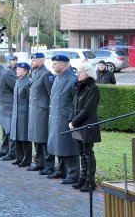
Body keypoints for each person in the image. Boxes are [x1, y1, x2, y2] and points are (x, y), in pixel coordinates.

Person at [47, 55, 80, 185]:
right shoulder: (57, 78)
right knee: (58, 143)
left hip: (65, 117)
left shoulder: (72, 79)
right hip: (55, 116)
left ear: (65, 64)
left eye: (55, 63)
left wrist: (71, 118)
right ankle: (61, 169)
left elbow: (74, 102)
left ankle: (73, 174)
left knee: (68, 145)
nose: (53, 66)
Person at [69, 63, 101, 192]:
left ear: (87, 73)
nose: (77, 74)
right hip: (78, 125)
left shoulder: (93, 88)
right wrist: (71, 120)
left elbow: (88, 109)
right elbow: (73, 105)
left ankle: (90, 181)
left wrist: (75, 122)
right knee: (81, 153)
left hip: (87, 125)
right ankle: (83, 179)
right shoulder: (79, 86)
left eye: (80, 72)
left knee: (88, 153)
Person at [27, 53, 55, 175]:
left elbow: (51, 95)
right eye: (31, 60)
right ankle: (38, 162)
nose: (31, 62)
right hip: (34, 111)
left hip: (43, 111)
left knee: (43, 139)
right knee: (36, 138)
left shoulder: (46, 74)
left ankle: (49, 166)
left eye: (33, 60)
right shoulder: (35, 73)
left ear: (41, 61)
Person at [10, 62, 32, 167]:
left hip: (24, 113)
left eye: (19, 69)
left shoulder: (28, 82)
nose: (16, 71)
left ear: (25, 71)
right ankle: (19, 158)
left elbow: (29, 100)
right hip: (16, 112)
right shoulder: (18, 81)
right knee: (17, 135)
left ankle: (27, 159)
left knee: (24, 137)